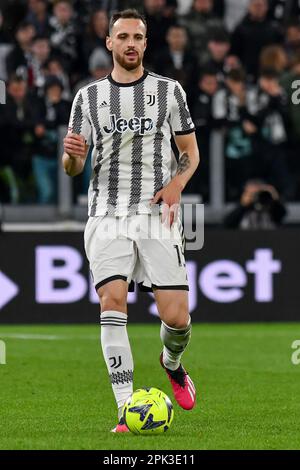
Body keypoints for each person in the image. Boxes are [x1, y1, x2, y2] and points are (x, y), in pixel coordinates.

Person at [62, 8, 199, 433]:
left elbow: (190, 154)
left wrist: (177, 184)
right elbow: (71, 168)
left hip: (158, 213)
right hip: (107, 214)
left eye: (137, 37)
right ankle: (126, 407)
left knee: (176, 318)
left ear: (146, 42)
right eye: (122, 37)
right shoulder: (86, 98)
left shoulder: (169, 91)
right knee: (112, 301)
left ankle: (172, 363)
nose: (131, 44)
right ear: (109, 43)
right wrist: (72, 158)